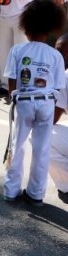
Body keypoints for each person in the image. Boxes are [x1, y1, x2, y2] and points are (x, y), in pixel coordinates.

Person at [3, 0, 66, 206]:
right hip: (47, 103)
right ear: (49, 30)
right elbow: (57, 86)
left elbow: (12, 81)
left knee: (17, 146)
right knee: (42, 149)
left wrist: (14, 101)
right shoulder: (56, 55)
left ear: (26, 27)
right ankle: (35, 194)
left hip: (24, 102)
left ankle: (11, 191)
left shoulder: (18, 51)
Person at [49, 33, 68, 204]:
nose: (58, 56)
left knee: (41, 135)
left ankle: (66, 186)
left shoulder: (65, 77)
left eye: (61, 52)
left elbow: (52, 119)